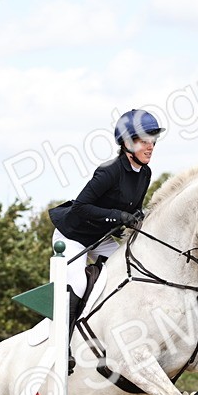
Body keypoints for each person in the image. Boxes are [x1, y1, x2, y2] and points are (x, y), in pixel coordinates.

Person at [48, 108, 164, 332]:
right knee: (80, 284)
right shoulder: (109, 171)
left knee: (130, 272)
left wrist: (133, 218)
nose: (150, 146)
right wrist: (118, 216)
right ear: (127, 143)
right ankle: (64, 341)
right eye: (144, 141)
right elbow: (81, 206)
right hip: (73, 235)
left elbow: (133, 207)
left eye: (153, 140)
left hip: (101, 237)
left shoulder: (145, 173)